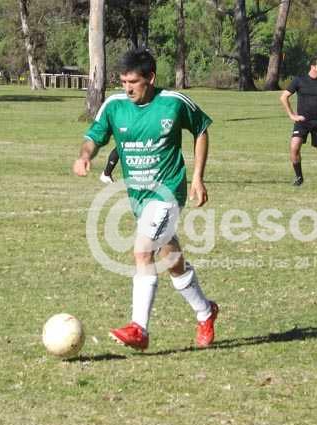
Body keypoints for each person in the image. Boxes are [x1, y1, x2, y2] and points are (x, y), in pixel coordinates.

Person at [73, 48, 218, 350]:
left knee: (142, 251)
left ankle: (139, 328)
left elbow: (201, 129)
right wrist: (85, 155)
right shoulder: (114, 106)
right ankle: (206, 312)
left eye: (133, 82)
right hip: (138, 198)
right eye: (123, 82)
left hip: (168, 192)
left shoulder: (173, 103)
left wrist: (198, 177)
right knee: (172, 261)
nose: (127, 88)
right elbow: (94, 137)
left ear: (150, 78)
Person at [280, 57, 317, 189]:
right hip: (302, 121)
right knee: (294, 148)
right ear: (313, 67)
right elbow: (284, 97)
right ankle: (299, 177)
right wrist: (292, 115)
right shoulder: (299, 80)